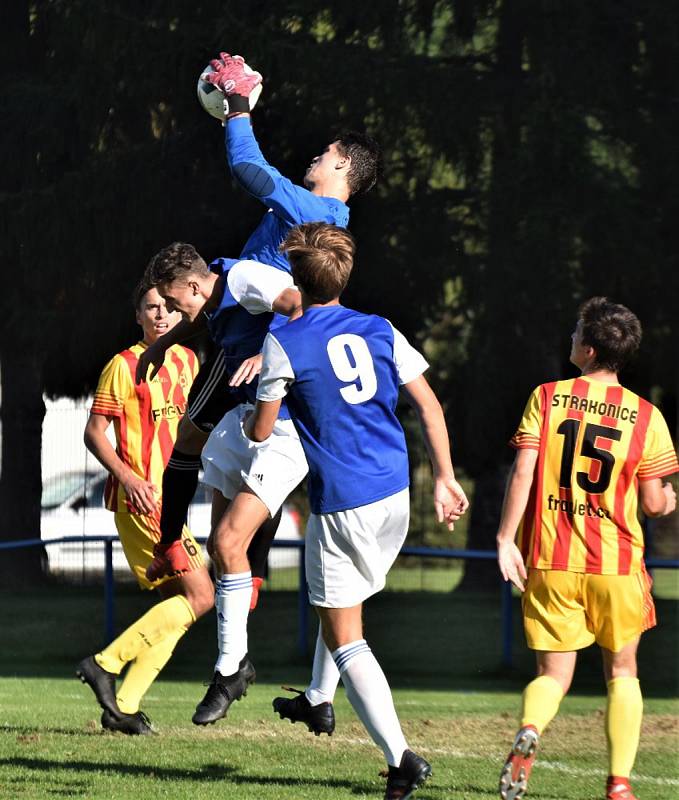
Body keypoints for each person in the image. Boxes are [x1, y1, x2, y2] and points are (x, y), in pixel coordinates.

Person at [137, 52, 381, 599]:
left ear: (343, 169)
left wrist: (238, 107)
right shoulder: (310, 215)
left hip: (251, 345)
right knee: (243, 470)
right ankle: (247, 576)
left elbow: (251, 173)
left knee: (190, 441)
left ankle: (174, 544)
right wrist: (168, 344)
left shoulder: (313, 213)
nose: (316, 158)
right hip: (253, 340)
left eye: (326, 154)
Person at [245, 222, 469, 800]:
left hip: (344, 501)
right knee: (339, 600)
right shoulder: (379, 328)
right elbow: (428, 404)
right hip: (395, 491)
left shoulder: (284, 341)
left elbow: (263, 428)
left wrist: (255, 408)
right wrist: (444, 478)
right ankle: (319, 700)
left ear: (295, 279)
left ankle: (401, 760)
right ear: (344, 276)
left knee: (345, 633)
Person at [495, 297, 678, 800]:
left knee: (553, 675)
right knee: (623, 670)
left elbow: (525, 472)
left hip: (551, 561)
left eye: (576, 331)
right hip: (617, 566)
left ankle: (531, 729)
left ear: (590, 349)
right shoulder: (647, 417)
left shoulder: (548, 397)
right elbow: (653, 501)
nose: (571, 337)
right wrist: (667, 502)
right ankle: (619, 784)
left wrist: (505, 539)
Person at [143, 242, 309, 727]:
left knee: (228, 541)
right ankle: (241, 667)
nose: (175, 315)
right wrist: (161, 344)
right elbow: (202, 319)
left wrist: (265, 353)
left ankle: (230, 670)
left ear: (193, 287)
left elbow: (298, 304)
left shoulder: (243, 280)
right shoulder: (217, 287)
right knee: (222, 555)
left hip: (283, 423)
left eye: (175, 305)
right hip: (246, 417)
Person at [76, 283, 214, 735]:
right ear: (137, 314)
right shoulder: (122, 365)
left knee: (177, 605)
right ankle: (105, 663)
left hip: (168, 500)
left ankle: (123, 707)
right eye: (151, 307)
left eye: (168, 308)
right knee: (202, 595)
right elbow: (94, 433)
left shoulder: (187, 362)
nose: (161, 315)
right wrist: (130, 478)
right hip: (142, 500)